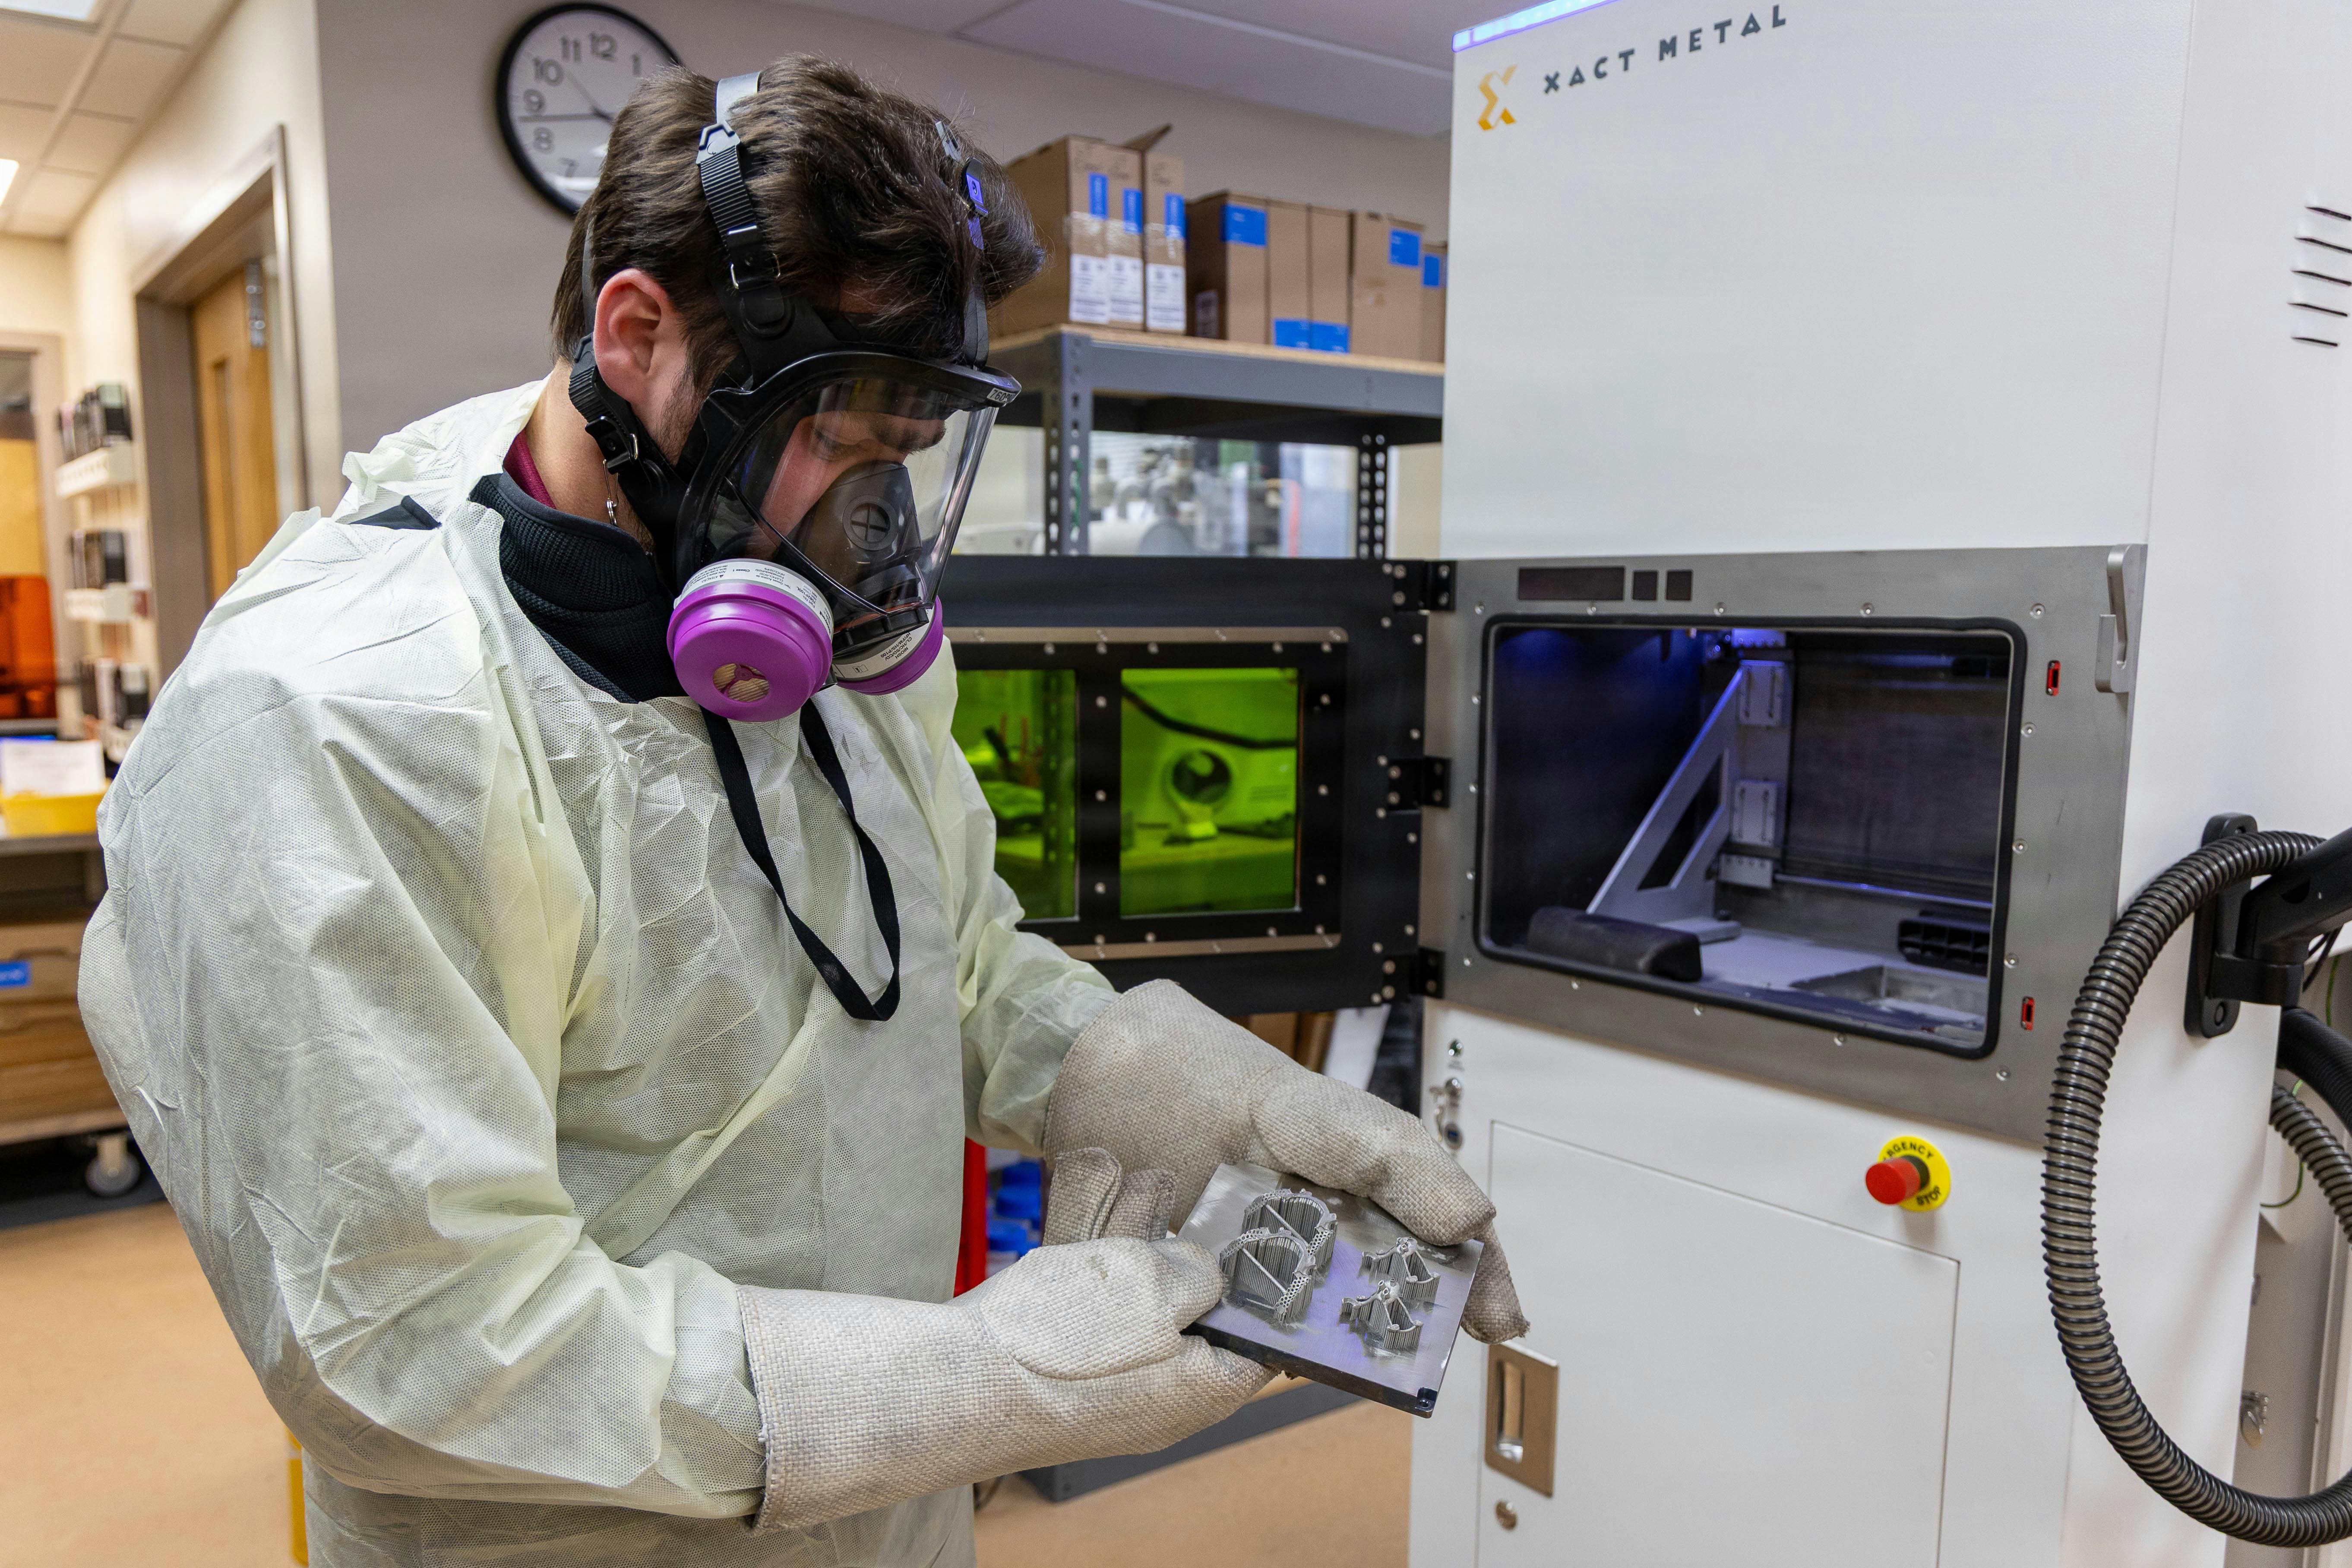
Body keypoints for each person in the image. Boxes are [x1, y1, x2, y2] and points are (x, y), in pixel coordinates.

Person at [77, 57, 1524, 1567]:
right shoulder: (346, 718)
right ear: (636, 335)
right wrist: (980, 1379)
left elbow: (940, 959)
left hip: (881, 1518)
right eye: (839, 431)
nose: (875, 521)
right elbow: (411, 1335)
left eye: (912, 450)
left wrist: (1194, 1090)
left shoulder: (823, 616)